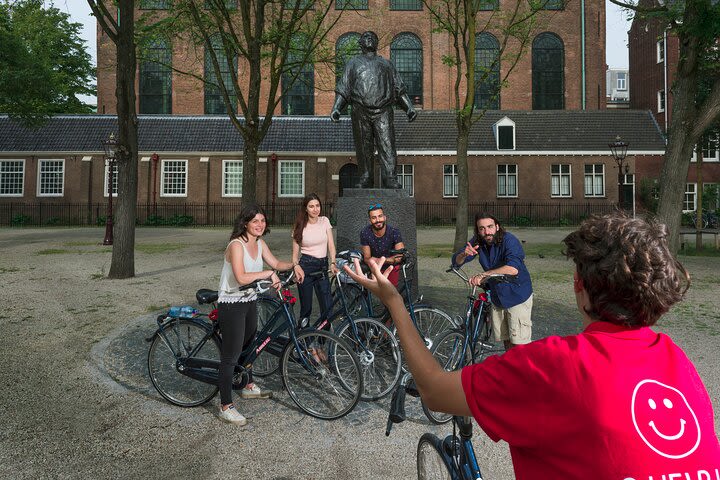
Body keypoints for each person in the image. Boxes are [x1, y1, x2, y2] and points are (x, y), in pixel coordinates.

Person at [344, 212, 720, 477]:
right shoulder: (676, 359)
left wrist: (393, 300)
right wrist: (467, 257)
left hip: (515, 298)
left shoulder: (555, 364)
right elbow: (459, 258)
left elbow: (432, 390)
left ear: (579, 286)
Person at [216, 205, 294, 425]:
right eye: (255, 221)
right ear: (245, 223)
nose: (260, 225)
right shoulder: (236, 245)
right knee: (231, 355)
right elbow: (241, 277)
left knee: (250, 346)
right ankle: (225, 405)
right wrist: (269, 274)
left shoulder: (259, 243)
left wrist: (295, 264)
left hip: (249, 300)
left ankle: (246, 384)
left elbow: (277, 263)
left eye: (262, 221)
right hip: (232, 302)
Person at [330, 30, 417, 189]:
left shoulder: (386, 64)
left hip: (383, 110)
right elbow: (344, 88)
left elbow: (399, 88)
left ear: (377, 43)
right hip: (360, 110)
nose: (369, 39)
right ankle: (365, 177)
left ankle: (390, 177)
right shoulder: (353, 63)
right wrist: (336, 108)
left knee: (387, 144)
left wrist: (409, 108)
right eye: (365, 37)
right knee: (363, 146)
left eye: (372, 37)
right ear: (360, 43)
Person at [451, 212, 533, 350]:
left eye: (489, 227)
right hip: (497, 296)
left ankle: (524, 370)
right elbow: (456, 262)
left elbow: (513, 269)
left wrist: (485, 275)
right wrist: (464, 254)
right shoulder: (479, 240)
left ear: (497, 226)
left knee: (520, 344)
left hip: (517, 295)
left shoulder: (510, 241)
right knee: (506, 340)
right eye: (481, 228)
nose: (486, 232)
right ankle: (510, 369)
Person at [291, 193, 338, 324]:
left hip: (323, 266)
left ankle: (323, 342)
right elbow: (295, 255)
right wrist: (296, 266)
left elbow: (331, 246)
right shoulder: (299, 225)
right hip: (306, 266)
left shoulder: (325, 221)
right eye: (311, 206)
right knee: (306, 309)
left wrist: (333, 262)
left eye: (317, 205)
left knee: (327, 309)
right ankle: (305, 342)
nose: (315, 209)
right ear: (305, 209)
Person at [360, 203, 405, 287]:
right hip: (375, 268)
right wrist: (388, 259)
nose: (378, 220)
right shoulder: (365, 233)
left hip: (391, 267)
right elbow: (367, 258)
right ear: (370, 220)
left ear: (384, 217)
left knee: (390, 295)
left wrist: (382, 260)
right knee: (376, 292)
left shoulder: (394, 232)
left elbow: (399, 257)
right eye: (374, 218)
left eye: (380, 216)